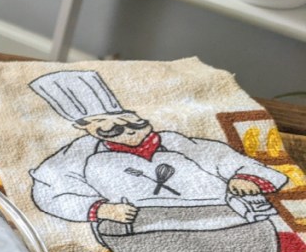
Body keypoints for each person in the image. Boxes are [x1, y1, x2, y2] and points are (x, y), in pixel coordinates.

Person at [28, 70, 287, 225]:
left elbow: (220, 156)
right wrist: (101, 209)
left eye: (133, 124)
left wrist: (245, 178)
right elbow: (51, 188)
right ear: (90, 130)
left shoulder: (174, 141)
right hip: (137, 230)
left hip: (220, 216)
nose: (128, 133)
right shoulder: (80, 154)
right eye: (111, 129)